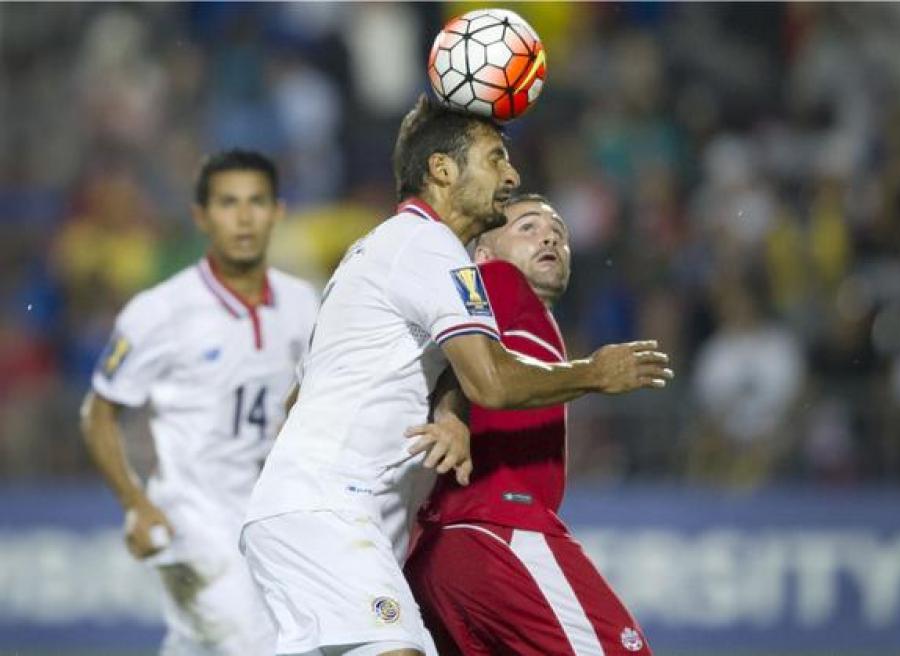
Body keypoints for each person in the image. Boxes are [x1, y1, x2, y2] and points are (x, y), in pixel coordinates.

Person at [240, 96, 672, 656]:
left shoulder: (380, 251)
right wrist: (594, 372)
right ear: (443, 170)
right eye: (495, 159)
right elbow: (490, 380)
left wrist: (450, 413)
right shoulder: (431, 248)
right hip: (335, 509)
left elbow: (304, 397)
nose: (510, 176)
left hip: (323, 512)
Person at [80, 149, 320, 655]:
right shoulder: (161, 311)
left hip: (273, 515)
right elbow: (98, 412)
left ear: (277, 211)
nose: (244, 217)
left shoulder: (305, 304)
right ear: (202, 217)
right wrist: (135, 503)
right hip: (192, 522)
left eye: (256, 202)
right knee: (251, 645)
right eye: (228, 203)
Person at [403, 193, 653, 655]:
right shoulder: (497, 279)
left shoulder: (525, 321)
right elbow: (460, 355)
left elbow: (454, 357)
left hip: (443, 554)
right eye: (528, 227)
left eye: (559, 233)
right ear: (483, 254)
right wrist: (451, 415)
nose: (549, 238)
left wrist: (450, 413)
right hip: (496, 528)